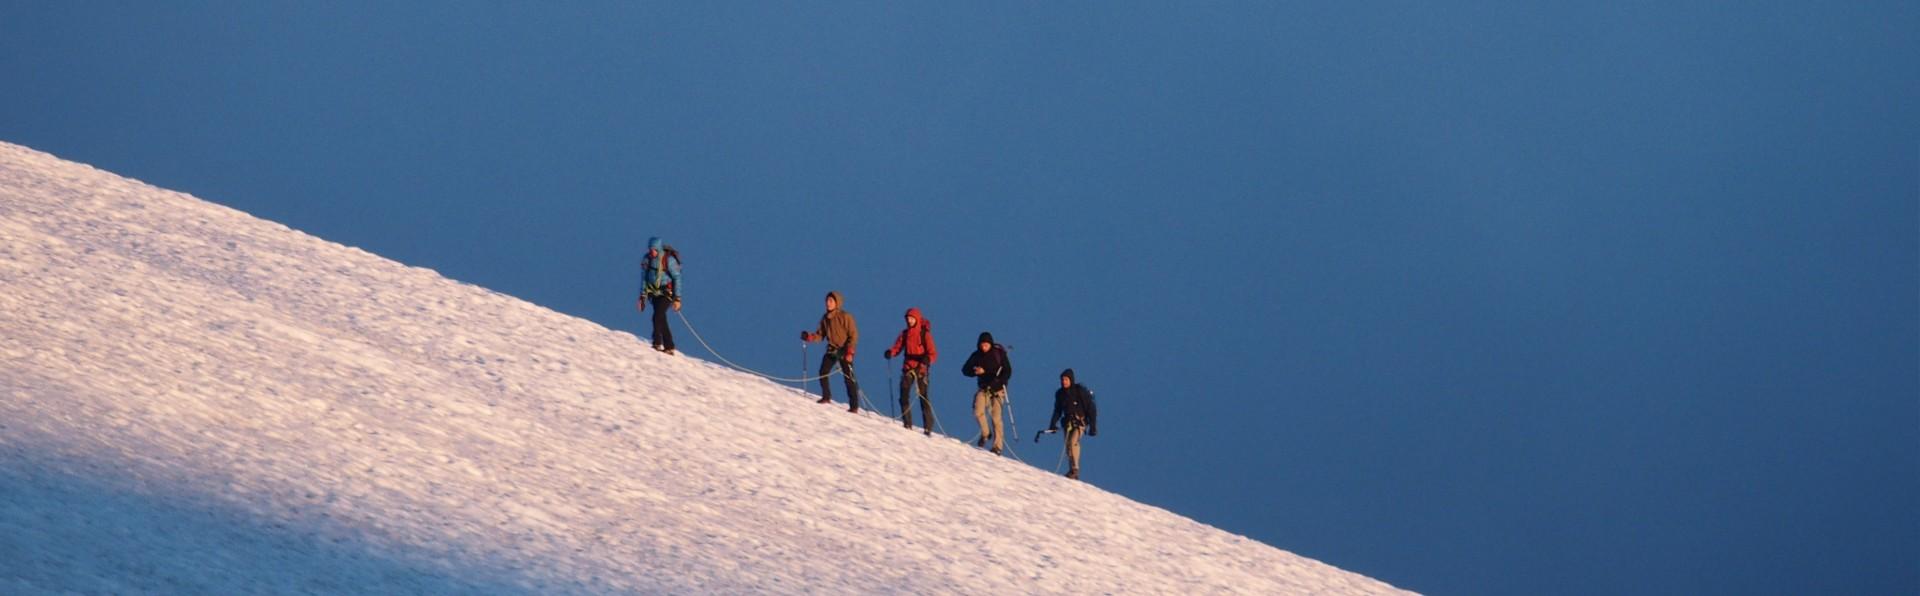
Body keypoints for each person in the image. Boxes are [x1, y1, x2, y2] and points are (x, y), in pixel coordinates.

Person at [801, 291, 861, 412]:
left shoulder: (846, 316)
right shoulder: (825, 318)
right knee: (823, 371)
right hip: (832, 349)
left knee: (849, 378)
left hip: (844, 350)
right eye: (827, 301)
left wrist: (850, 351)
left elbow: (853, 335)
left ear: (837, 302)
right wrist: (810, 337)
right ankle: (826, 397)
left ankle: (854, 406)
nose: (828, 303)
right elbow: (820, 334)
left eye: (831, 301)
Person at [883, 307, 938, 435]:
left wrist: (926, 360)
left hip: (921, 369)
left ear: (917, 319)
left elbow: (933, 353)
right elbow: (897, 347)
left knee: (923, 397)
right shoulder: (904, 334)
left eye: (912, 318)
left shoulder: (925, 335)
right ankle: (907, 423)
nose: (909, 320)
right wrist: (891, 353)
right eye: (908, 318)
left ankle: (928, 426)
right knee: (903, 394)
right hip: (908, 367)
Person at [960, 332, 1012, 454]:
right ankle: (985, 433)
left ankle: (997, 446)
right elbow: (965, 370)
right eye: (982, 344)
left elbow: (1007, 371)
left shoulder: (999, 354)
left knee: (996, 418)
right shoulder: (976, 355)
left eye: (986, 344)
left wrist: (997, 381)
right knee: (978, 411)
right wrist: (975, 372)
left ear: (990, 344)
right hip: (984, 388)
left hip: (998, 390)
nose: (984, 347)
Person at [1046, 368, 1099, 480]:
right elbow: (1057, 410)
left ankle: (1075, 469)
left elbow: (1091, 408)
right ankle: (1072, 471)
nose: (1063, 382)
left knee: (1073, 442)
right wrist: (1052, 424)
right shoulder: (1060, 394)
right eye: (1062, 379)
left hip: (1080, 422)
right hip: (1067, 423)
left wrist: (1093, 426)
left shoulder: (1079, 391)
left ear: (1071, 380)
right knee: (1068, 447)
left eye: (1066, 379)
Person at [635, 237, 682, 354]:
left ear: (659, 249)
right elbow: (644, 278)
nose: (652, 252)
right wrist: (642, 296)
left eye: (654, 249)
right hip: (654, 294)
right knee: (661, 318)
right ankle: (669, 346)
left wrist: (677, 298)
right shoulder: (647, 259)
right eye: (650, 249)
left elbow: (677, 278)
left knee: (657, 316)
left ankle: (656, 343)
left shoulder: (668, 260)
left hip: (666, 293)